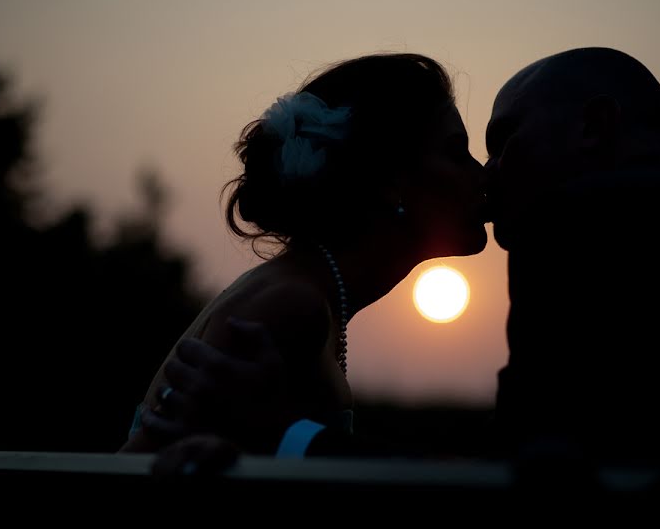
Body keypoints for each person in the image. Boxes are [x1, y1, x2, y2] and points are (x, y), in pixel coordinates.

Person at [143, 48, 660, 491]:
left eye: (503, 142)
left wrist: (285, 438)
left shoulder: (584, 221)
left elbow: (518, 477)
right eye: (466, 151)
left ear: (595, 126)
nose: (487, 175)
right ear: (387, 179)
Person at [121, 53, 490, 454]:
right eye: (457, 153)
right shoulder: (291, 306)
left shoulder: (307, 293)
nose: (483, 174)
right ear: (387, 179)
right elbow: (140, 471)